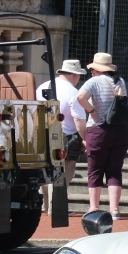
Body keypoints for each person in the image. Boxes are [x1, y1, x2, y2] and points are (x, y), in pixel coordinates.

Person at [76, 52, 128, 219]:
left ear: (98, 70)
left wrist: (91, 111)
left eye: (93, 69)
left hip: (99, 129)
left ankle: (94, 207)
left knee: (95, 169)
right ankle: (114, 210)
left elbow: (80, 97)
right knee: (114, 170)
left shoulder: (94, 81)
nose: (92, 72)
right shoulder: (120, 81)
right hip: (120, 129)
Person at [38, 59, 87, 214]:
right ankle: (56, 206)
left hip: (42, 132)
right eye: (79, 75)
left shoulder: (42, 86)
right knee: (66, 170)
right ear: (73, 75)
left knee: (46, 169)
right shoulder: (73, 92)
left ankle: (44, 204)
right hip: (67, 135)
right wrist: (85, 138)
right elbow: (79, 119)